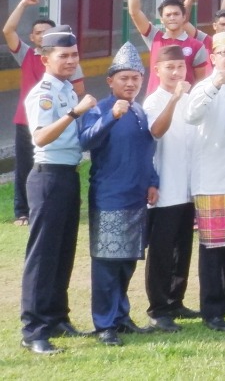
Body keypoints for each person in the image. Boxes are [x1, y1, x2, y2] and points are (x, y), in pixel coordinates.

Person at [79, 42, 159, 346]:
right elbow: (85, 141)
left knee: (127, 260)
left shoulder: (140, 110)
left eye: (135, 78)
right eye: (124, 78)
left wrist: (153, 180)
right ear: (110, 81)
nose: (130, 83)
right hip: (109, 197)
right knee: (106, 264)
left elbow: (146, 152)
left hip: (136, 197)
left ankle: (122, 317)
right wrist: (111, 115)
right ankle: (104, 324)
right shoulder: (99, 108)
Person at [19, 26, 90, 354]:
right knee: (43, 254)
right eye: (63, 56)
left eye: (74, 55)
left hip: (68, 175)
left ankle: (57, 317)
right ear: (45, 59)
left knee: (63, 251)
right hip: (47, 176)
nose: (71, 61)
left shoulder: (67, 89)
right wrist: (74, 114)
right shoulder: (44, 93)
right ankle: (34, 329)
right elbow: (40, 137)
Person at [183, 31, 225, 332]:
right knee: (213, 250)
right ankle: (211, 309)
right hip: (212, 179)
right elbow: (192, 115)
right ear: (213, 58)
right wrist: (215, 83)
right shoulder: (204, 87)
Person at [5, 0, 82, 226]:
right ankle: (22, 211)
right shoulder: (27, 53)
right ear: (32, 37)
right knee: (25, 164)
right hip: (25, 120)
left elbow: (78, 92)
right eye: (38, 32)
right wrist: (21, 4)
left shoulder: (67, 61)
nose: (42, 36)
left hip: (57, 121)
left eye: (46, 32)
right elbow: (8, 31)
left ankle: (45, 204)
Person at [143, 45, 198, 331]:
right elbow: (156, 132)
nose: (176, 72)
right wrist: (174, 100)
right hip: (164, 188)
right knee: (162, 251)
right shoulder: (153, 102)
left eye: (180, 66)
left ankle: (176, 300)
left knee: (182, 248)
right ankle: (158, 307)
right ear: (158, 71)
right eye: (170, 67)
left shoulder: (191, 98)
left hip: (188, 188)